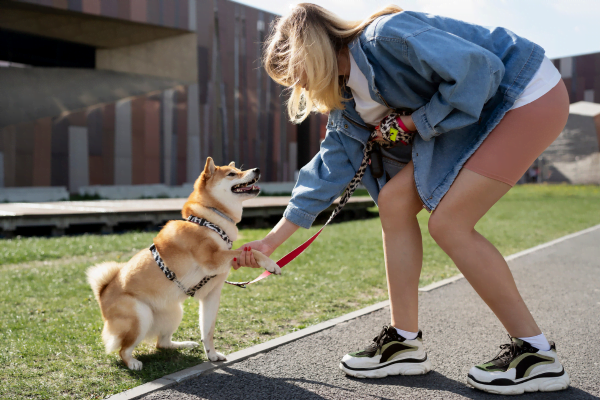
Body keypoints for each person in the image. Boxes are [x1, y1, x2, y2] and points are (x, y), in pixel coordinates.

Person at [233, 3, 570, 394]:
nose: (299, 88)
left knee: (449, 224)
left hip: (525, 92)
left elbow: (481, 72)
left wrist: (411, 123)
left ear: (309, 51)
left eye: (296, 75)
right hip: (483, 109)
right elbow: (328, 169)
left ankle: (536, 354)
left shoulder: (386, 37)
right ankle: (404, 343)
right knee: (393, 201)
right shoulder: (347, 100)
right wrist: (270, 242)